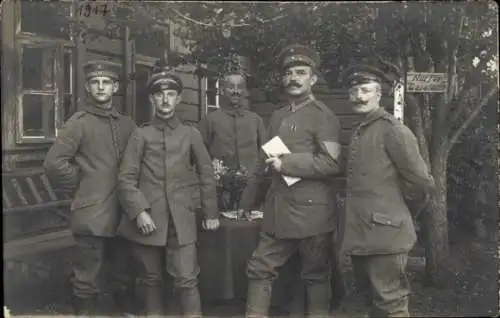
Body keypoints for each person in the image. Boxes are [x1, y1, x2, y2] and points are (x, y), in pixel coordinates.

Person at [239, 44, 343, 318]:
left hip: (313, 214)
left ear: (313, 79)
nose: (294, 78)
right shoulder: (278, 116)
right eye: (289, 73)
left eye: (301, 72)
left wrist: (288, 163)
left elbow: (331, 163)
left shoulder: (324, 117)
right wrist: (248, 200)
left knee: (315, 275)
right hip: (278, 211)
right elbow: (264, 161)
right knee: (260, 269)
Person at [116, 65, 220, 317]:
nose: (165, 99)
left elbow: (206, 175)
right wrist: (139, 212)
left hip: (181, 221)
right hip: (148, 221)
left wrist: (210, 212)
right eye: (159, 94)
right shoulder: (141, 135)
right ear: (152, 99)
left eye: (171, 94)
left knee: (186, 280)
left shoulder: (191, 134)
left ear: (179, 98)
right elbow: (126, 178)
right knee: (150, 280)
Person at [340, 64, 435, 317]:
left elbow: (422, 183)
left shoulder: (393, 130)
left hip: (387, 236)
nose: (359, 96)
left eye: (365, 90)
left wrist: (398, 213)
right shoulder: (362, 130)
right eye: (354, 91)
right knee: (373, 303)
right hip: (363, 234)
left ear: (379, 94)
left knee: (390, 303)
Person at [43, 60, 137, 316]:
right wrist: (81, 183)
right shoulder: (79, 123)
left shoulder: (127, 124)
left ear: (115, 87)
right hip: (91, 212)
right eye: (95, 82)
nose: (101, 87)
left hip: (123, 211)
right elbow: (54, 163)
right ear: (87, 86)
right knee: (87, 275)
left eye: (106, 82)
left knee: (123, 272)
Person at [197, 67, 267, 210]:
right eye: (230, 87)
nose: (235, 91)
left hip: (252, 192)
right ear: (222, 89)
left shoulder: (255, 121)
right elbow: (199, 157)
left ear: (245, 91)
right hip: (219, 192)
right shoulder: (210, 121)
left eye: (240, 87)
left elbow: (265, 154)